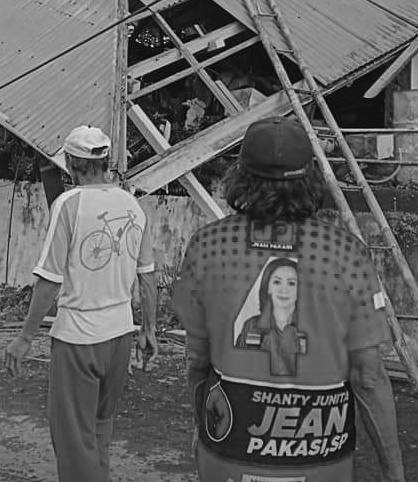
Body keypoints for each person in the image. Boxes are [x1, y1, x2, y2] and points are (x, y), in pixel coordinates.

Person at [172, 117, 405, 482]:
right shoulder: (346, 253)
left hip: (228, 453)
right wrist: (394, 474)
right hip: (321, 461)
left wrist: (201, 424)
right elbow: (369, 377)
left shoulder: (208, 245)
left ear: (241, 176)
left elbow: (196, 362)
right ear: (311, 177)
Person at [4, 125, 158, 482]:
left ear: (71, 163)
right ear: (106, 162)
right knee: (99, 430)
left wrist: (25, 337)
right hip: (120, 337)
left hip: (78, 340)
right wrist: (148, 330)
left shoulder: (69, 204)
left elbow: (50, 280)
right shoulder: (133, 205)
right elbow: (147, 275)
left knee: (74, 439)